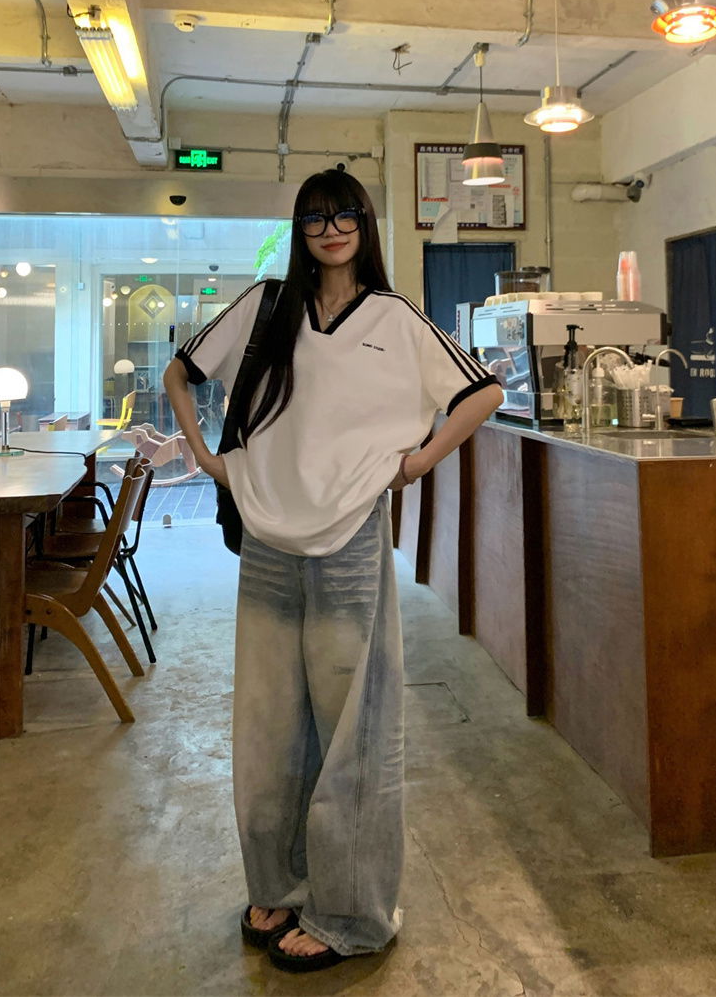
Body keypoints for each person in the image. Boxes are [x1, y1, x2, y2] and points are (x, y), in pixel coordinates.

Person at [163, 169, 503, 973]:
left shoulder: (394, 316)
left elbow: (480, 394)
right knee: (269, 721)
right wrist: (206, 457)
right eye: (315, 217)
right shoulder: (267, 305)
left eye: (345, 213)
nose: (331, 229)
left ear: (365, 223)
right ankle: (279, 883)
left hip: (350, 536)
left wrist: (414, 463)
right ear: (300, 229)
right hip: (267, 538)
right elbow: (181, 372)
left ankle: (353, 911)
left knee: (355, 727)